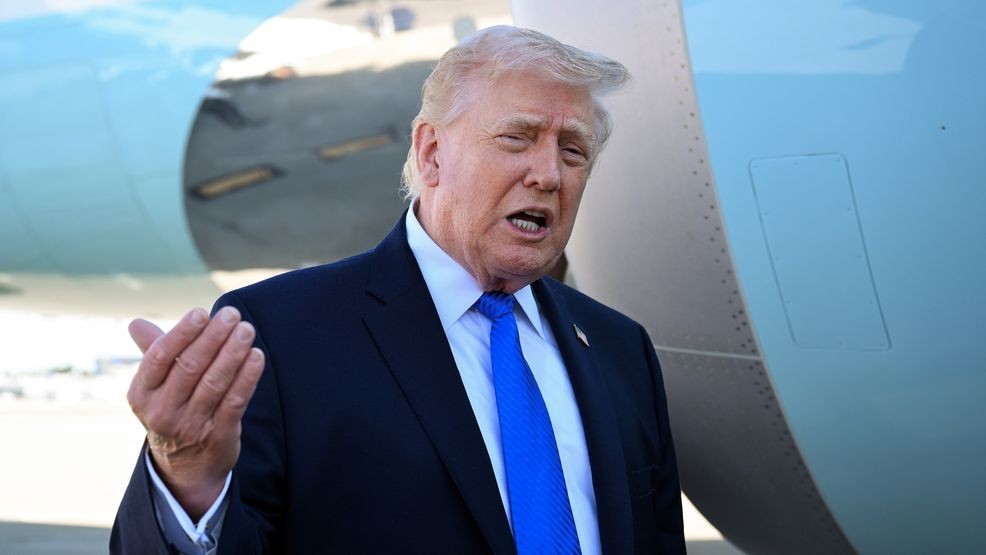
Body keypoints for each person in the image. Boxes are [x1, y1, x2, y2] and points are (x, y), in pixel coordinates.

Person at [111, 25, 685, 554]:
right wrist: (187, 482)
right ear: (432, 153)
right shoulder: (279, 336)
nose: (549, 174)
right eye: (518, 138)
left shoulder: (620, 349)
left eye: (573, 151)